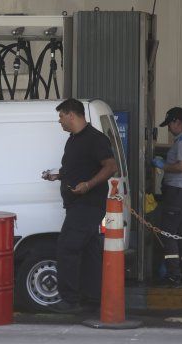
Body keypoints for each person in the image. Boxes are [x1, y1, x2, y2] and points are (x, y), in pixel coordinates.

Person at [42, 98, 117, 313]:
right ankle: (93, 298)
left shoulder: (95, 139)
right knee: (90, 251)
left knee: (67, 247)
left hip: (88, 204)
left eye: (61, 116)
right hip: (76, 205)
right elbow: (75, 168)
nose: (60, 121)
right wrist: (57, 176)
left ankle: (69, 300)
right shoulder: (73, 140)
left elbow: (111, 166)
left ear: (71, 114)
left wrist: (88, 185)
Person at [152, 106, 182, 288]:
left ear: (176, 122)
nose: (169, 129)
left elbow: (181, 167)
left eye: (169, 125)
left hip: (178, 192)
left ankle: (174, 276)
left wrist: (162, 165)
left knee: (168, 234)